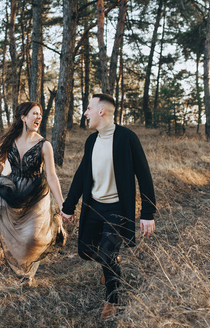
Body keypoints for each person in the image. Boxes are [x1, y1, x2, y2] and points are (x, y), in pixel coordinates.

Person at [60, 93, 156, 321]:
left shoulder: (127, 138)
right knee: (85, 250)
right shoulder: (91, 140)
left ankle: (113, 299)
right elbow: (82, 175)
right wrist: (68, 206)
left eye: (88, 108)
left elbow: (144, 175)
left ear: (101, 111)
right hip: (94, 207)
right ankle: (110, 260)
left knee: (106, 253)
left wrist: (147, 213)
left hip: (117, 209)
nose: (85, 113)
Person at [0, 101, 66, 284]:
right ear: (23, 118)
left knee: (33, 238)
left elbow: (52, 176)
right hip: (15, 188)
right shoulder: (11, 140)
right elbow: (0, 162)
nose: (38, 117)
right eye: (34, 114)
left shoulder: (44, 145)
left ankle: (55, 226)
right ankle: (24, 270)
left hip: (37, 192)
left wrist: (62, 204)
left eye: (40, 114)